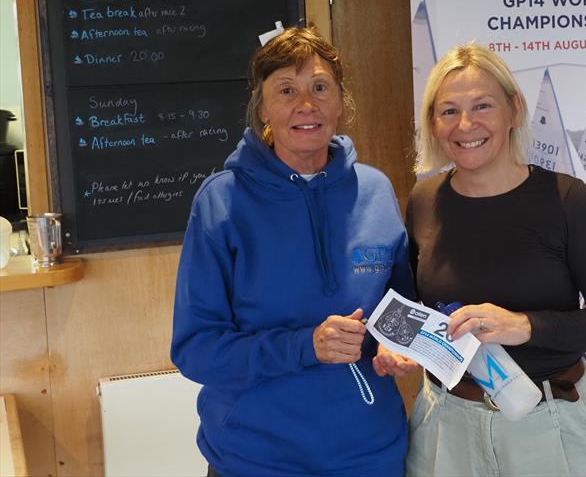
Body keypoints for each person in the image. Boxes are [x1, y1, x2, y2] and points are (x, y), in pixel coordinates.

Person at [171, 26, 415, 477]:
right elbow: (196, 350)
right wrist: (305, 346)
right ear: (262, 107)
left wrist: (395, 347)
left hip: (370, 455)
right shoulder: (221, 202)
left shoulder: (376, 191)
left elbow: (399, 311)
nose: (306, 104)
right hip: (256, 458)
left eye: (320, 87)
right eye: (286, 90)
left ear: (341, 102)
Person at [402, 43, 586, 477]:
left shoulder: (566, 200)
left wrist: (524, 326)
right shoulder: (423, 201)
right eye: (449, 111)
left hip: (551, 423)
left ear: (514, 110)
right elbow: (413, 308)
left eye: (482, 106)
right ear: (433, 124)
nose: (466, 124)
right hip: (448, 424)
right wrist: (395, 346)